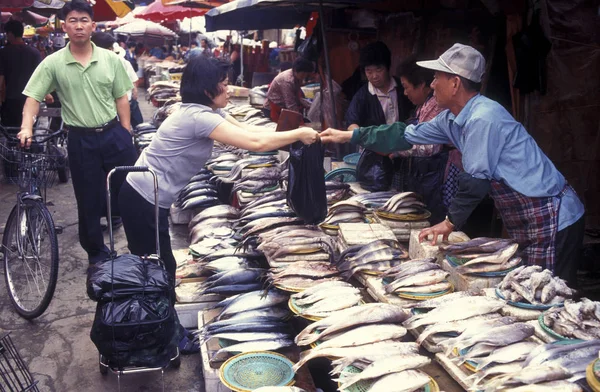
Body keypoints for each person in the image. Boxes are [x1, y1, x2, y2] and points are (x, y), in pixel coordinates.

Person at [320, 43, 585, 287]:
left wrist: (448, 223)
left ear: (455, 83)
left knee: (551, 293)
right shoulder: (451, 119)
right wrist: (350, 135)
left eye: (437, 77)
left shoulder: (483, 117)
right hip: (528, 218)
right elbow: (403, 134)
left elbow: (475, 180)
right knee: (532, 288)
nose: (432, 84)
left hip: (553, 217)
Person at [118, 56, 319, 353]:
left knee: (161, 266)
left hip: (150, 198)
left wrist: (295, 135)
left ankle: (160, 327)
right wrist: (300, 133)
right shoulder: (200, 117)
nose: (229, 90)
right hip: (143, 199)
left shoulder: (205, 111)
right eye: (223, 85)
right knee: (158, 270)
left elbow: (253, 134)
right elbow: (257, 146)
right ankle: (161, 336)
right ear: (206, 90)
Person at [18, 0, 139, 265]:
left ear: (93, 26)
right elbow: (32, 97)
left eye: (84, 20)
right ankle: (96, 253)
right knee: (87, 198)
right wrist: (27, 126)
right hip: (81, 139)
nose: (79, 26)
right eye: (73, 20)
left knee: (129, 191)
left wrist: (125, 130)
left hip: (113, 134)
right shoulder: (53, 63)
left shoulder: (110, 59)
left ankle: (139, 249)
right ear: (65, 26)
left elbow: (122, 97)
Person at [386, 57, 453, 224]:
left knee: (434, 222)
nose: (405, 93)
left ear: (422, 84)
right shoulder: (423, 106)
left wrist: (396, 149)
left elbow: (429, 147)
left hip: (436, 181)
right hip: (424, 178)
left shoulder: (437, 106)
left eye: (407, 88)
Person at [0, 20, 49, 128]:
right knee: (28, 132)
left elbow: (1, 78)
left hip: (10, 100)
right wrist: (47, 94)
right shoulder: (34, 52)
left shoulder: (4, 53)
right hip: (31, 99)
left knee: (11, 133)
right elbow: (42, 76)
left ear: (10, 34)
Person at [263, 57, 315, 122]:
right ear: (297, 70)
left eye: (306, 74)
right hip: (273, 109)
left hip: (283, 108)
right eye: (303, 73)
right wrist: (300, 120)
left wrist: (310, 105)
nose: (304, 76)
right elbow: (291, 105)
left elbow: (296, 97)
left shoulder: (296, 77)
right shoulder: (287, 80)